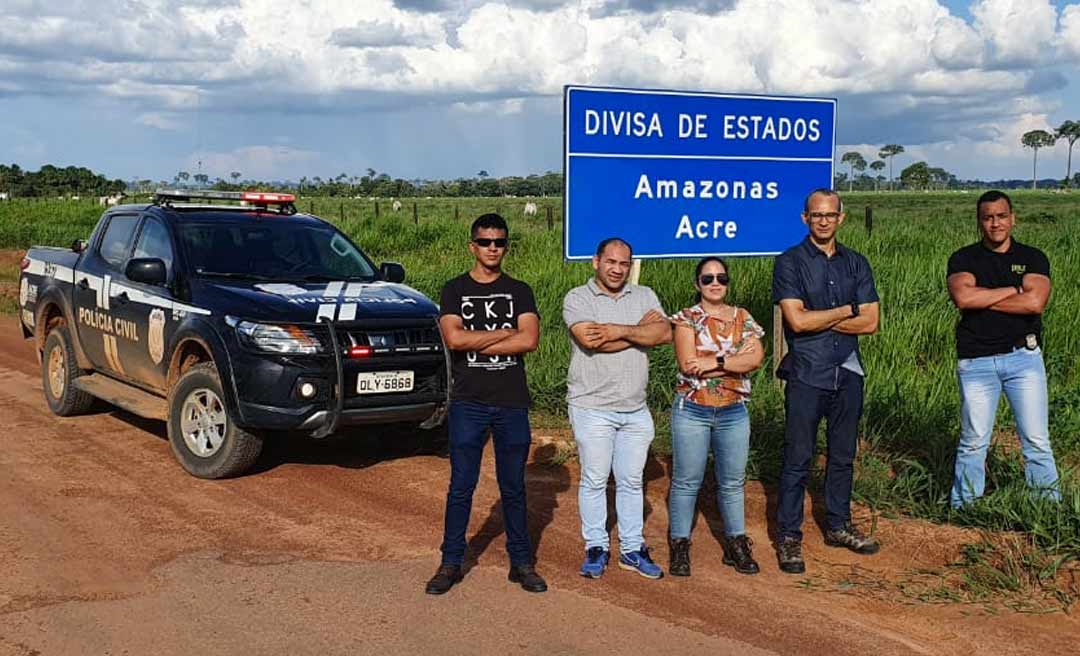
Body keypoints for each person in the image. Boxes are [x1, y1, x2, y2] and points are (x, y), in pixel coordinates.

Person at [425, 213, 547, 595]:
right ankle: (451, 561)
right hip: (469, 402)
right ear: (472, 246)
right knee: (462, 485)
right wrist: (503, 331)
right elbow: (454, 340)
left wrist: (482, 336)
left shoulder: (520, 290)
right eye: (485, 242)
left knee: (513, 487)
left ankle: (521, 562)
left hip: (511, 402)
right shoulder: (454, 290)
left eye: (499, 242)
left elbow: (529, 341)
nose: (493, 248)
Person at [771, 188, 881, 575]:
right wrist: (846, 309)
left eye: (830, 215)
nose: (823, 221)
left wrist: (823, 315)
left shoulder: (856, 263)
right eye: (816, 215)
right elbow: (796, 322)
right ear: (805, 218)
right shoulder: (790, 262)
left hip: (848, 371)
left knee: (842, 456)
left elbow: (871, 322)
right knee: (798, 457)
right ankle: (788, 536)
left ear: (841, 218)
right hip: (806, 372)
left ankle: (838, 525)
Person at [563, 238, 672, 579]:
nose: (617, 269)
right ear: (596, 261)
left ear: (630, 265)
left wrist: (616, 330)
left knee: (631, 480)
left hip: (635, 408)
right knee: (595, 479)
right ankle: (596, 545)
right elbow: (590, 340)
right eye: (610, 262)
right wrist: (641, 332)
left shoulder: (644, 296)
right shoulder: (578, 298)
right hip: (591, 405)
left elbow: (665, 334)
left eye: (624, 263)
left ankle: (631, 548)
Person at [947, 190, 1060, 508]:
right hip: (976, 362)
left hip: (1023, 359)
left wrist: (985, 297)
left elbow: (1035, 302)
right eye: (987, 217)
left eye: (1000, 216)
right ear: (979, 221)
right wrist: (1013, 289)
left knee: (1037, 440)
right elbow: (964, 299)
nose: (994, 223)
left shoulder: (1033, 257)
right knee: (973, 441)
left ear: (1012, 218)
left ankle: (1047, 508)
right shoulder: (963, 258)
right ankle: (966, 506)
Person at [668, 257, 765, 577]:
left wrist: (714, 361)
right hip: (693, 411)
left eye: (721, 278)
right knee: (686, 481)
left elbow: (755, 359)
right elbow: (688, 363)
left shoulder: (744, 317)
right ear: (697, 283)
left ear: (728, 282)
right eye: (707, 278)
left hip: (734, 411)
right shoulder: (686, 318)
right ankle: (679, 543)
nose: (715, 283)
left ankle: (736, 542)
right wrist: (733, 359)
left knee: (733, 482)